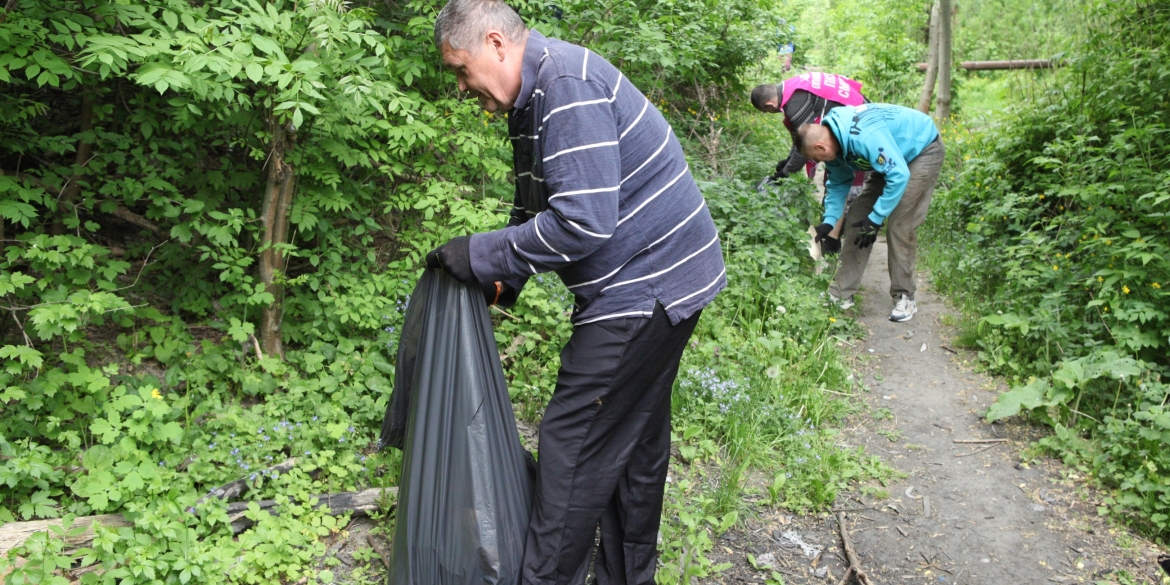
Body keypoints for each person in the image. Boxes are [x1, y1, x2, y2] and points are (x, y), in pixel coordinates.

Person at [425, 1, 727, 584]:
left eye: (460, 70)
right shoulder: (534, 97)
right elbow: (539, 201)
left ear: (494, 43)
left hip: (649, 285)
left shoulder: (568, 86)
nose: (462, 87)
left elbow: (583, 222)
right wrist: (502, 275)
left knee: (575, 445)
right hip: (668, 276)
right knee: (632, 438)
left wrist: (479, 251)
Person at [794, 103, 944, 322]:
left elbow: (899, 175)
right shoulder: (834, 141)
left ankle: (905, 296)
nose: (818, 163)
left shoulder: (864, 138)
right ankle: (841, 293)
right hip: (892, 156)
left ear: (820, 148)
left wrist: (876, 218)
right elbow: (838, 184)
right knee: (857, 216)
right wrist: (828, 222)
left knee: (900, 224)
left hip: (921, 150)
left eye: (816, 158)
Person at [750, 74, 870, 253]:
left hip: (860, 130)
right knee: (837, 184)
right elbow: (801, 142)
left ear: (770, 105)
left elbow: (803, 150)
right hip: (855, 117)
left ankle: (844, 242)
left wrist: (783, 174)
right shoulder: (793, 87)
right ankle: (833, 237)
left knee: (843, 188)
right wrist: (787, 163)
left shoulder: (795, 103)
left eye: (768, 112)